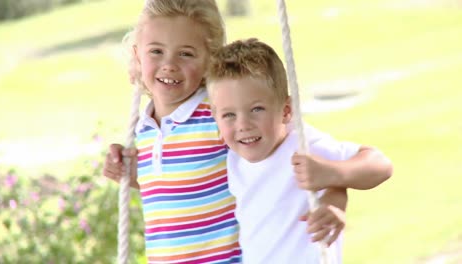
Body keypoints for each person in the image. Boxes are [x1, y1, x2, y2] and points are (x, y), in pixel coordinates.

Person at [103, 0, 391, 262]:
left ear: (210, 61)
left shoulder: (222, 114)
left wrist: (334, 193)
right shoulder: (145, 126)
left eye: (186, 54)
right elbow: (183, 188)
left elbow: (296, 147)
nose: (169, 64)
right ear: (136, 55)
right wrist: (134, 175)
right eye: (156, 51)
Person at [204, 38, 393, 263]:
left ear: (286, 111)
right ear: (215, 117)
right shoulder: (234, 159)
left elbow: (381, 164)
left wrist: (333, 174)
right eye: (229, 115)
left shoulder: (301, 144)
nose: (243, 125)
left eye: (256, 109)